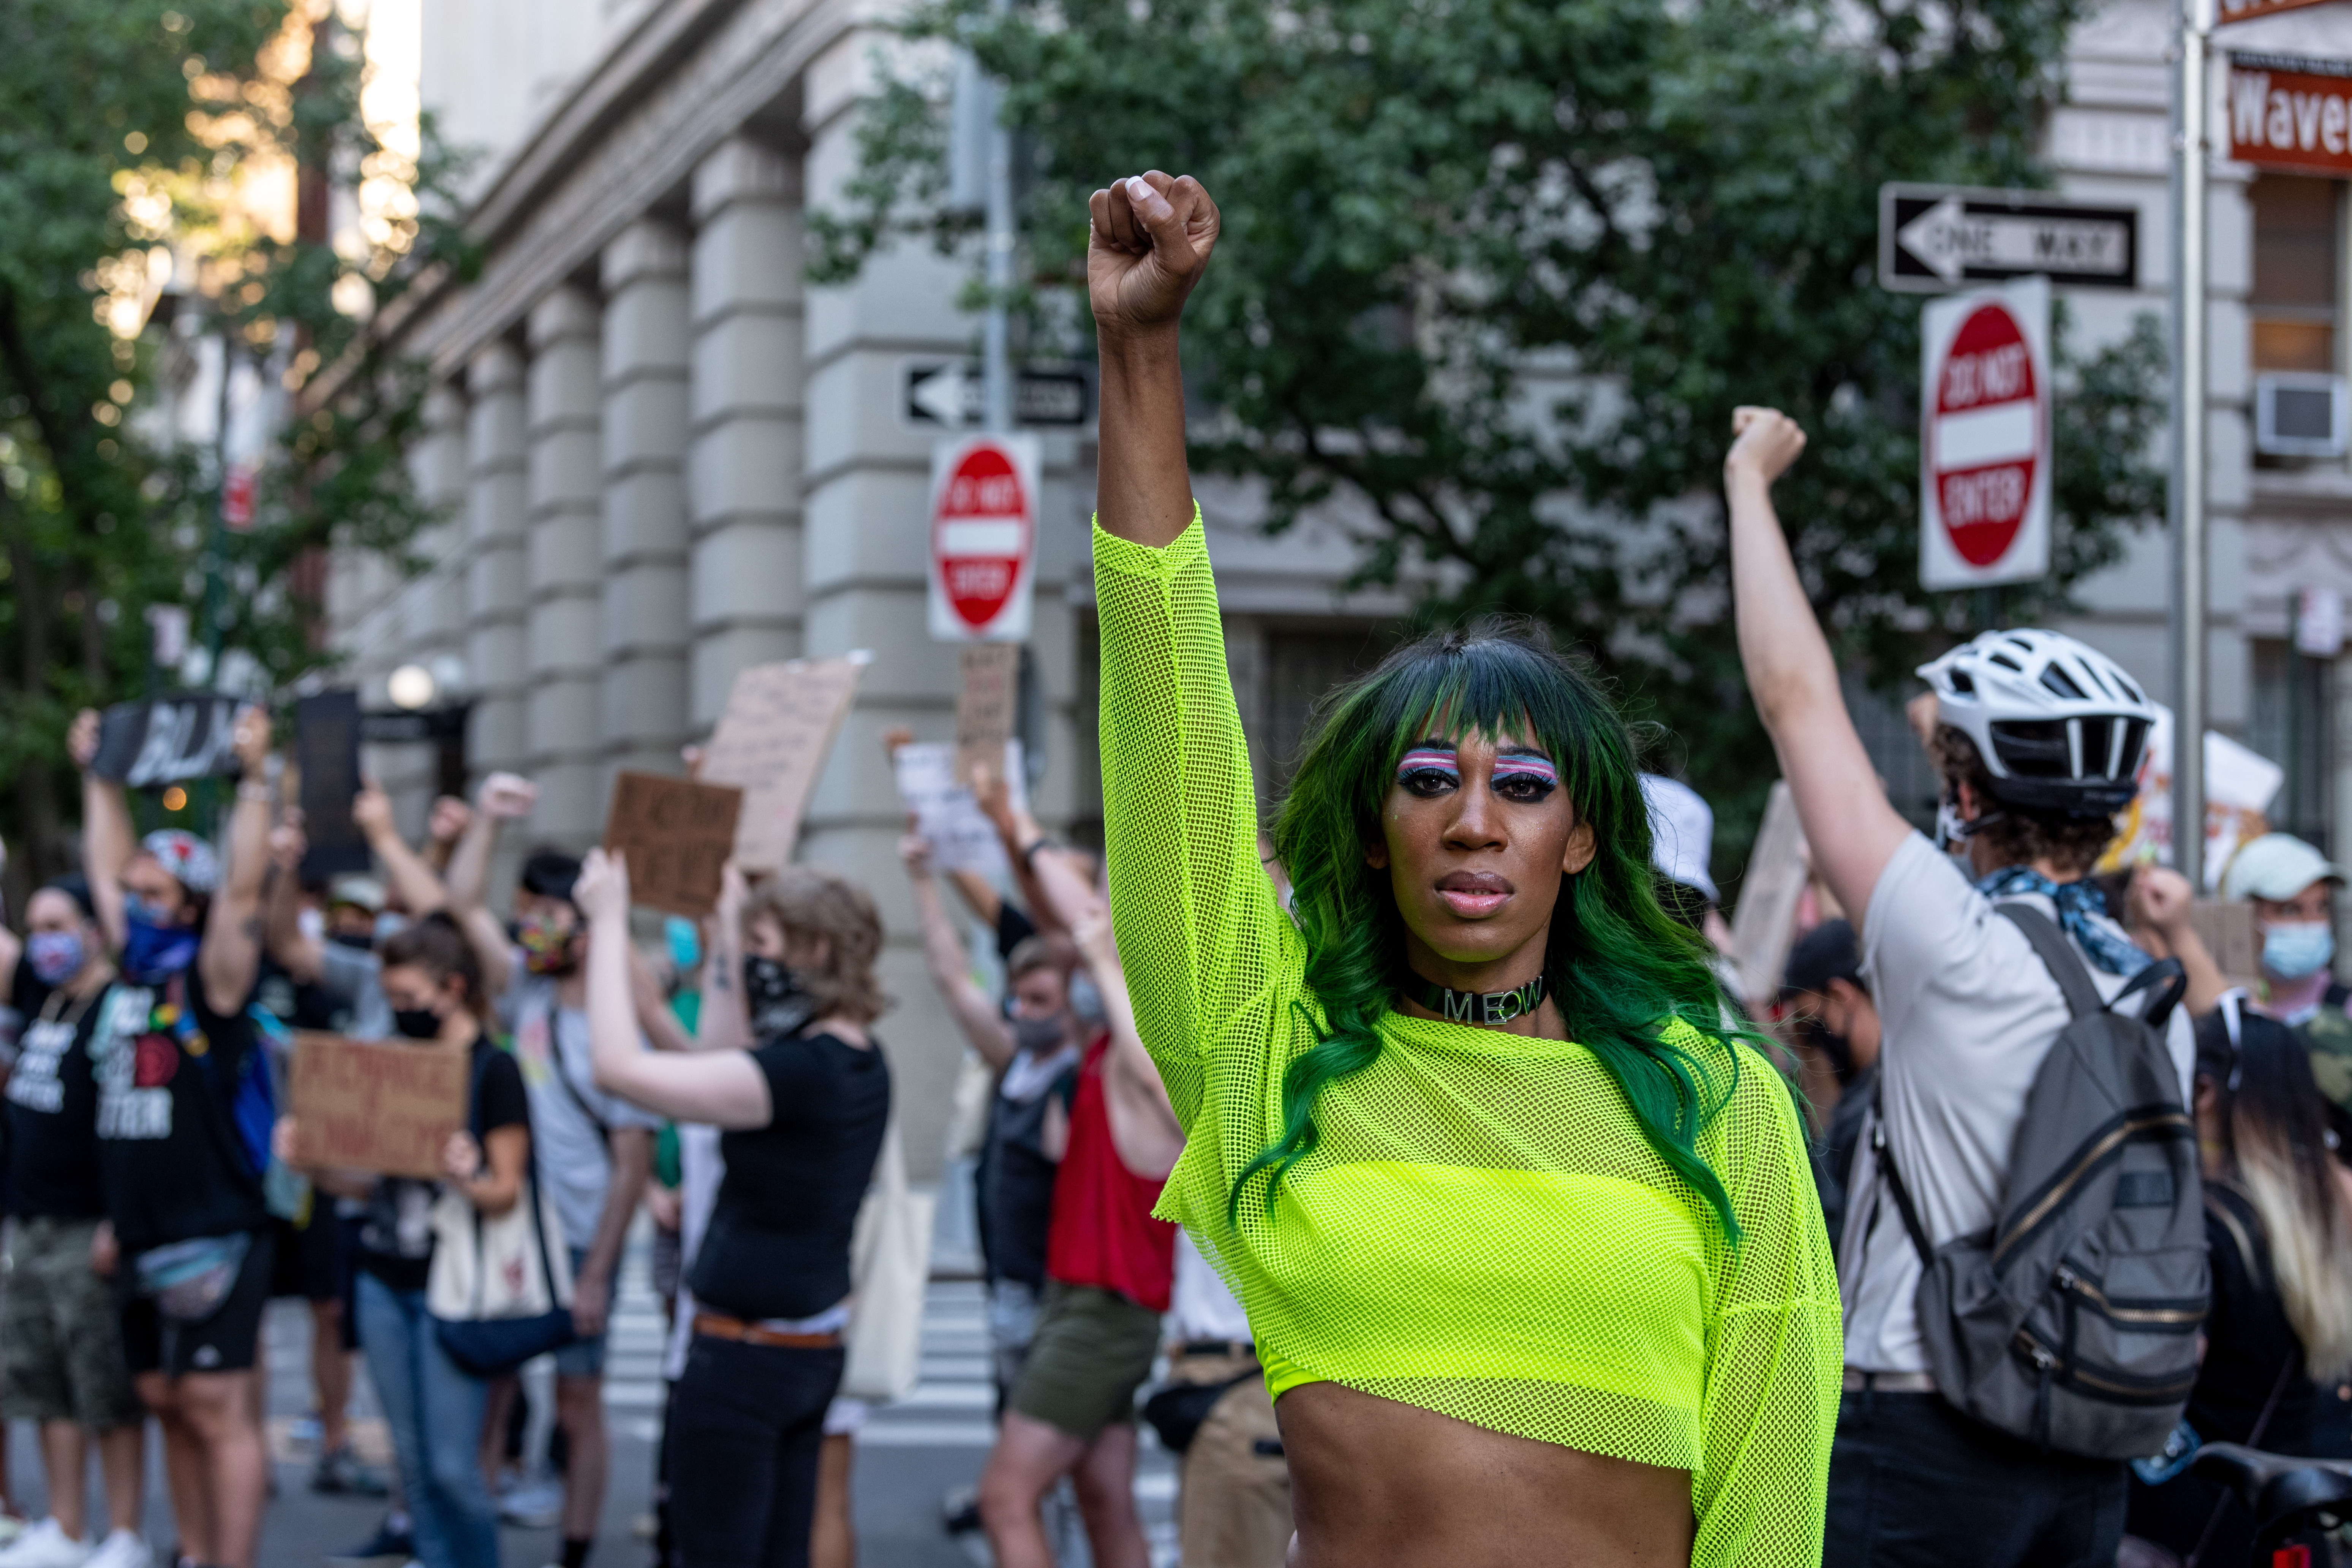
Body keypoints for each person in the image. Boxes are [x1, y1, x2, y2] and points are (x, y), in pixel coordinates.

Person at [1086, 170, 1837, 1567]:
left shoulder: (1710, 1099)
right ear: (1373, 834)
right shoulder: (1273, 1058)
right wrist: (1139, 351)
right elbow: (1167, 733)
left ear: (1585, 836)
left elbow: (1769, 1479)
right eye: (1427, 782)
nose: (1476, 820)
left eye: (1525, 787)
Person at [1723, 406, 2218, 1568]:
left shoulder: (1951, 946)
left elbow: (1799, 701)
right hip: (2088, 1439)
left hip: (1924, 1424)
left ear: (1972, 797)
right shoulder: (2152, 992)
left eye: (1952, 765)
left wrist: (1751, 481)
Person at [575, 849, 890, 1568]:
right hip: (805, 1349)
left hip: (743, 1362)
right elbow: (717, 1049)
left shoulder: (798, 1074)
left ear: (814, 950)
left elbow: (616, 1067)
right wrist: (726, 918)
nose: (751, 962)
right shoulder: (856, 1058)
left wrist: (609, 920)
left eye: (763, 945)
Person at [70, 704, 276, 1568]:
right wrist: (97, 775)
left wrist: (259, 779)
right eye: (135, 892)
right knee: (164, 1398)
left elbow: (244, 892)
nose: (137, 903)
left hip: (214, 1229)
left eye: (157, 894)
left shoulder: (210, 980)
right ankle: (192, 1551)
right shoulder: (125, 978)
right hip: (141, 1234)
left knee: (217, 1405)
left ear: (190, 905)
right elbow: (106, 866)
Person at [281, 916, 526, 1568]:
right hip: (383, 1273)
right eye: (392, 1000)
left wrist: (465, 1175)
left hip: (454, 1286)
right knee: (414, 1462)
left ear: (453, 987)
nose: (399, 1012)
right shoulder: (393, 1063)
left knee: (453, 1465)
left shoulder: (493, 1068)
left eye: (411, 999)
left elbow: (507, 1189)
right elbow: (367, 1186)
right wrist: (312, 1166)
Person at [449, 837, 656, 1568]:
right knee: (492, 1390)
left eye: (550, 912)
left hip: (580, 1238)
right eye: (528, 909)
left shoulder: (611, 1020)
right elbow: (463, 904)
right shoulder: (522, 989)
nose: (533, 924)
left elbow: (632, 1163)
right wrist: (486, 821)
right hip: (512, 1229)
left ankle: (574, 1551)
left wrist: (598, 1269)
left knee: (578, 1401)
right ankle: (476, 1541)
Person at [2122, 1001, 2352, 1564]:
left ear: (2203, 1093)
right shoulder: (2321, 1221)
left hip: (2200, 1523)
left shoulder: (2212, 1228)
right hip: (2296, 1523)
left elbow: (2157, 1383)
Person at [0, 877, 149, 1568]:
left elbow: (126, 1127)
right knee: (45, 1380)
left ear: (94, 928)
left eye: (57, 924)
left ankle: (124, 1530)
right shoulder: (46, 998)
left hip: (85, 1223)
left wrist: (117, 1222)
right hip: (29, 1220)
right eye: (35, 927)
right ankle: (67, 1524)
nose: (42, 941)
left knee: (103, 1385)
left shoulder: (117, 1007)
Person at [903, 839, 1080, 1404]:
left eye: (1040, 1001)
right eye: (1018, 1000)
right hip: (1010, 1277)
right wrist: (922, 881)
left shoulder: (1087, 1070)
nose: (1023, 1012)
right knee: (1013, 1404)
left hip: (1064, 1287)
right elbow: (951, 978)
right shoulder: (1015, 1061)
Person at [1776, 918, 1880, 1253]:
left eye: (1809, 1024)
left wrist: (1817, 1099)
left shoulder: (1867, 1110)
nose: (1806, 1044)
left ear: (1840, 996)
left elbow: (1832, 1232)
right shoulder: (1888, 1085)